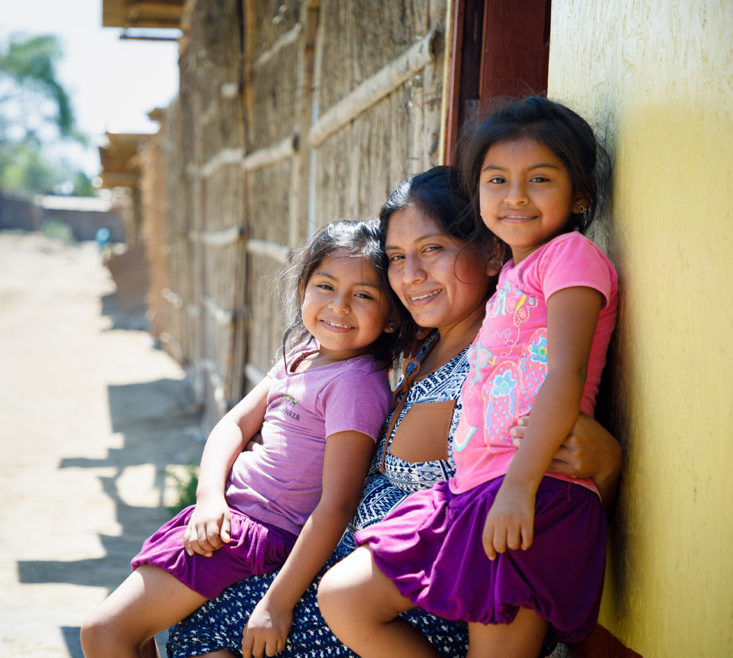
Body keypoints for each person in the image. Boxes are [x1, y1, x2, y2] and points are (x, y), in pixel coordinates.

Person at [166, 164, 622, 658]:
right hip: (356, 579)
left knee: (204, 632)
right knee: (200, 622)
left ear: (492, 252)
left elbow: (562, 486)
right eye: (398, 257)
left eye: (433, 250)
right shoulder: (418, 352)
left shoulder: (499, 372)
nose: (411, 275)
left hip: (418, 609)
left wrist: (606, 460)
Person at [319, 97, 618, 657]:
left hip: (525, 495)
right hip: (473, 494)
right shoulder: (510, 277)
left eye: (540, 179)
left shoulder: (570, 257)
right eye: (497, 179)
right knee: (344, 597)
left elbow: (565, 375)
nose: (516, 196)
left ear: (578, 194)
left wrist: (519, 488)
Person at [81, 219, 402, 658]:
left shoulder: (354, 385)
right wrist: (210, 497)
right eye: (325, 286)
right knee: (129, 635)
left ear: (391, 318)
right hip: (226, 520)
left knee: (104, 632)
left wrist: (278, 601)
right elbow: (231, 425)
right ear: (303, 287)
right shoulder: (304, 355)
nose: (339, 306)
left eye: (364, 295)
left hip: (257, 538)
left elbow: (336, 505)